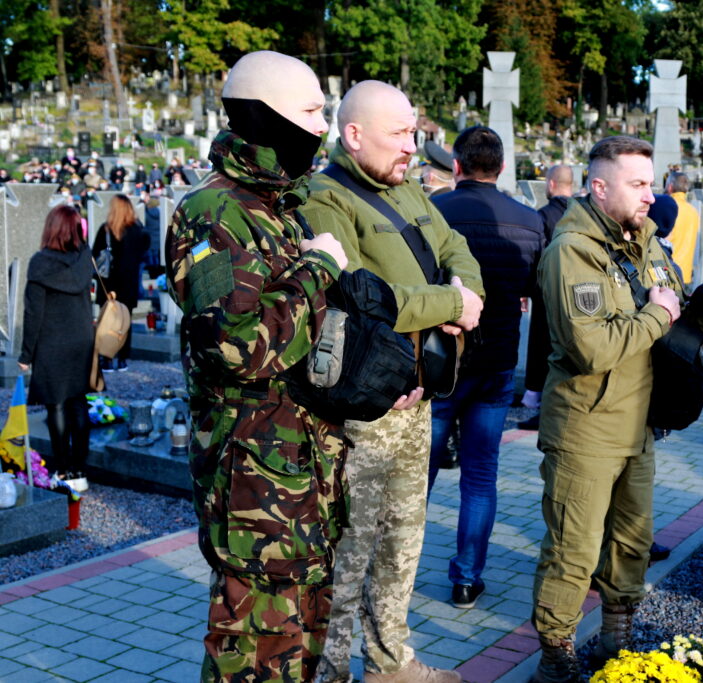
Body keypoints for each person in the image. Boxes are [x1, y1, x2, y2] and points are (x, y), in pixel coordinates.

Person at [529, 136, 703, 681]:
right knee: (573, 550)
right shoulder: (572, 252)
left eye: (651, 183)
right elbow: (591, 349)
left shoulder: (647, 242)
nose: (650, 195)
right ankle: (555, 657)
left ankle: (616, 636)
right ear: (599, 187)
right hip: (586, 427)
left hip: (639, 423)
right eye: (637, 184)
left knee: (631, 541)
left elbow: (676, 323)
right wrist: (658, 315)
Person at [165, 50, 354, 681]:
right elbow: (236, 346)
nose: (323, 127)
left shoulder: (278, 207)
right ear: (266, 117)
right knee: (254, 651)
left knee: (303, 640)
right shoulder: (213, 214)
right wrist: (318, 268)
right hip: (253, 482)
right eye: (312, 111)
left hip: (303, 468)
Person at [304, 79, 483, 683]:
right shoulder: (326, 198)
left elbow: (457, 246)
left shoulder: (407, 187)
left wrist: (464, 289)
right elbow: (359, 296)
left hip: (417, 398)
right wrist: (449, 304)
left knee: (404, 542)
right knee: (349, 552)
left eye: (413, 132)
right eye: (400, 133)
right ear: (354, 135)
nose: (413, 145)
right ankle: (331, 672)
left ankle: (389, 663)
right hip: (364, 412)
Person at [428, 125, 544, 608]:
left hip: (441, 360)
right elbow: (534, 287)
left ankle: (395, 568)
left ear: (456, 165)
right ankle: (466, 577)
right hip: (497, 359)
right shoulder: (529, 220)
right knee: (480, 475)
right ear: (501, 167)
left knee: (419, 472)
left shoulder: (435, 210)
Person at [18, 205, 93, 492]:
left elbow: (33, 314)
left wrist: (26, 354)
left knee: (57, 404)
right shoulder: (84, 258)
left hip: (52, 342)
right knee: (78, 402)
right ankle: (80, 471)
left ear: (51, 228)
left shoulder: (41, 263)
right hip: (82, 340)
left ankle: (62, 470)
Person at [519, 164, 574, 431]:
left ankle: (540, 403)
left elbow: (534, 255)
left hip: (546, 293)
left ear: (551, 184)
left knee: (542, 348)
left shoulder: (541, 216)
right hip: (576, 293)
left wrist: (526, 289)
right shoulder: (582, 214)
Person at [92, 194, 150, 371]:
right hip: (129, 283)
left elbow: (95, 254)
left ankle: (107, 358)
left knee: (107, 322)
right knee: (125, 321)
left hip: (108, 283)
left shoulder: (106, 229)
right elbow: (145, 251)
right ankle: (123, 358)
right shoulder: (138, 230)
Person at [664, 171, 700, 286]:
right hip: (685, 274)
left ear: (670, 187)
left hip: (667, 274)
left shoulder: (666, 208)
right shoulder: (693, 211)